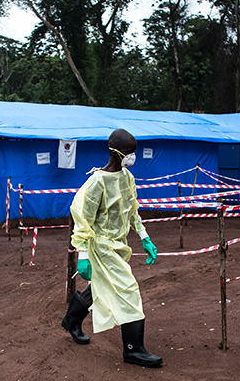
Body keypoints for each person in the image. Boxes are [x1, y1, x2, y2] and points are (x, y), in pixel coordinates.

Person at [61, 128, 163, 367]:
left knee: (102, 285)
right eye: (129, 153)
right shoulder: (97, 182)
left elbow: (132, 209)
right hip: (101, 245)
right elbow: (81, 217)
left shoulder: (127, 177)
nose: (132, 157)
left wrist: (144, 236)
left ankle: (71, 320)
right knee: (127, 288)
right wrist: (83, 254)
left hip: (118, 244)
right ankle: (133, 349)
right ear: (116, 152)